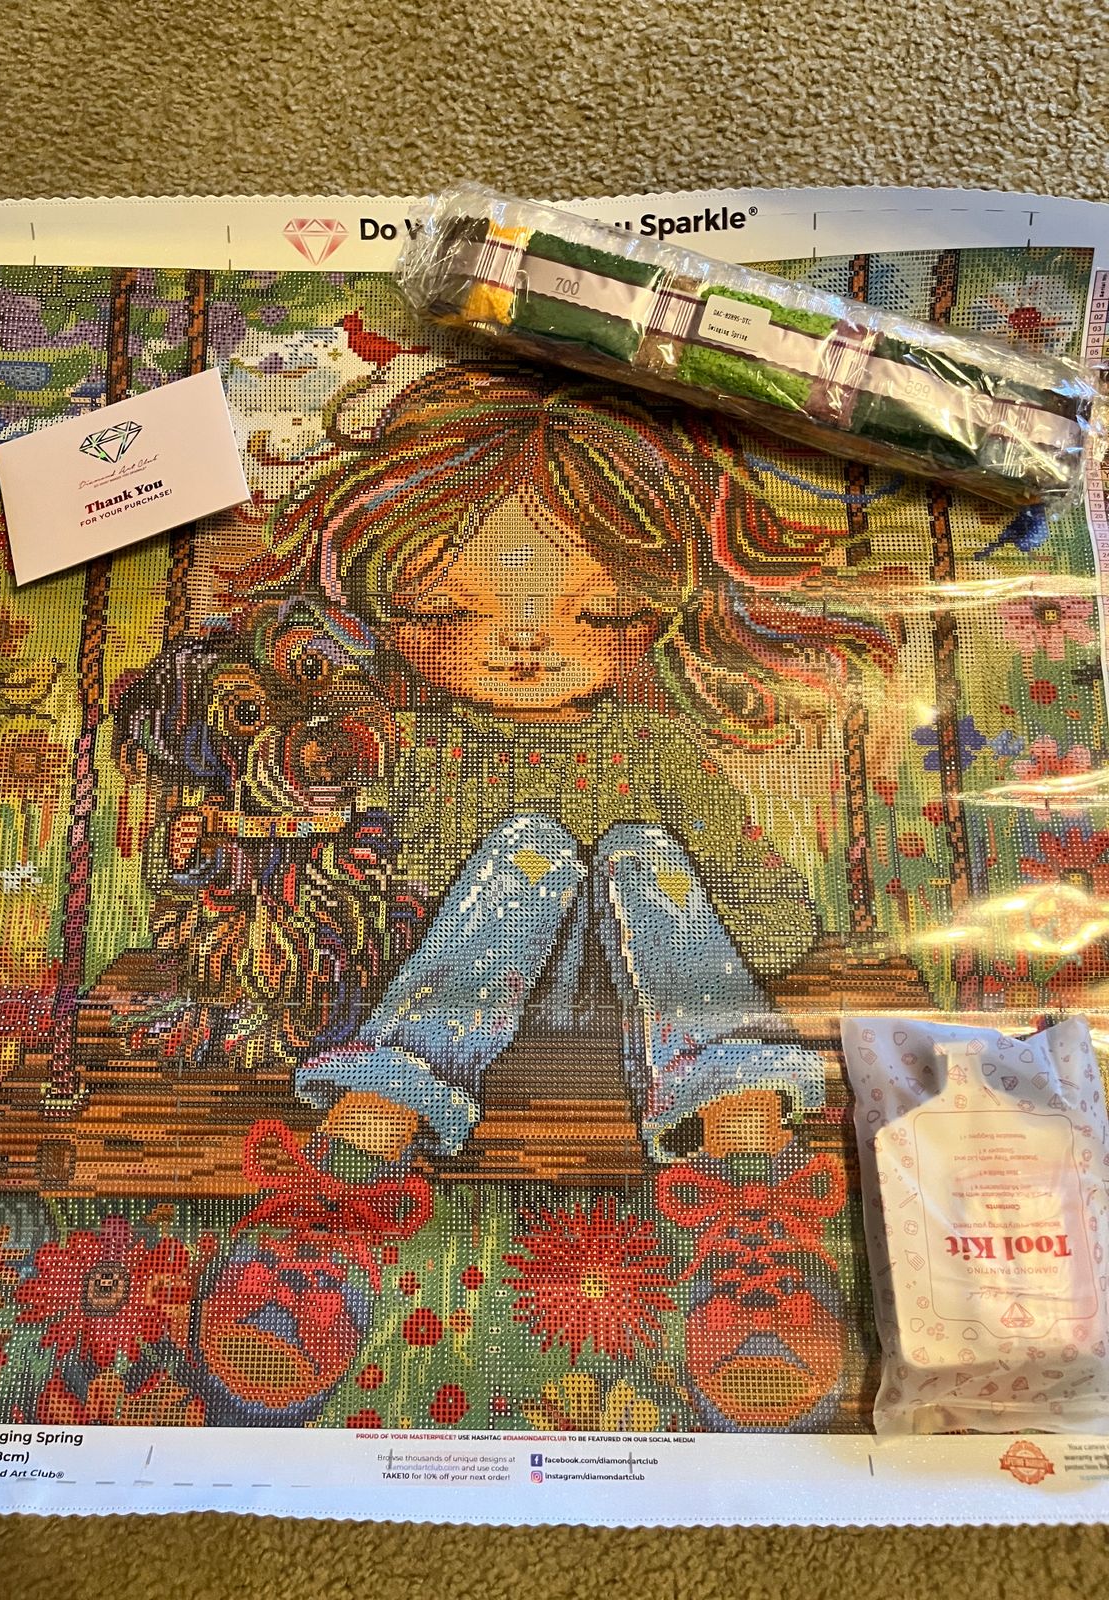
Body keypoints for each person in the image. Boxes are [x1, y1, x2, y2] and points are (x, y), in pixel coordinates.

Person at [231, 361, 895, 1169]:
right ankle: (392, 1092)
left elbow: (751, 885)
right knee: (531, 850)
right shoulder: (402, 743)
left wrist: (726, 935)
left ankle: (735, 1103)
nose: (524, 646)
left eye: (596, 613)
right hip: (462, 988)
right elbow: (331, 850)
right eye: (449, 613)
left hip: (642, 999)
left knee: (643, 855)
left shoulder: (654, 749)